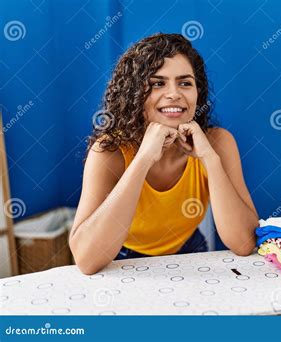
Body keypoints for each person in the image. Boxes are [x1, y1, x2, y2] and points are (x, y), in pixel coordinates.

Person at [69, 33, 258, 275]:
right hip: (119, 260)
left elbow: (244, 244)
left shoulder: (218, 143)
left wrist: (210, 160)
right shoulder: (109, 152)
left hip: (190, 251)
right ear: (135, 94)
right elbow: (86, 260)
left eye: (185, 83)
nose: (174, 94)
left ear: (197, 93)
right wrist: (143, 159)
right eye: (158, 83)